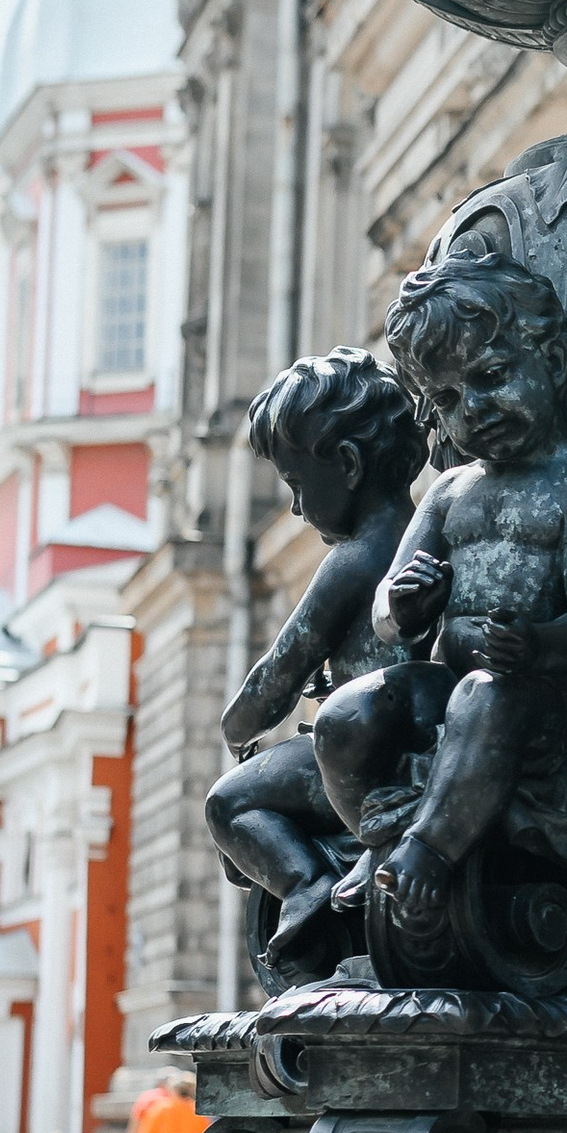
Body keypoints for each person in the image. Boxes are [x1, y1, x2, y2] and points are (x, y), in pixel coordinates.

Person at [313, 252, 567, 937]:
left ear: (555, 363)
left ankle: (427, 850)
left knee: (485, 694)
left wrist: (540, 642)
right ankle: (381, 833)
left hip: (525, 693)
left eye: (490, 378)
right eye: (450, 400)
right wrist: (405, 607)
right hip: (443, 677)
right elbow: (385, 611)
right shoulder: (452, 490)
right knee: (347, 716)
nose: (475, 411)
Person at [203, 350, 428, 971]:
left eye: (299, 487)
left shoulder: (355, 558)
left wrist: (236, 727)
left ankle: (306, 885)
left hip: (356, 765)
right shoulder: (423, 533)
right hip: (412, 750)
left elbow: (280, 671)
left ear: (349, 466)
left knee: (229, 805)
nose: (297, 511)